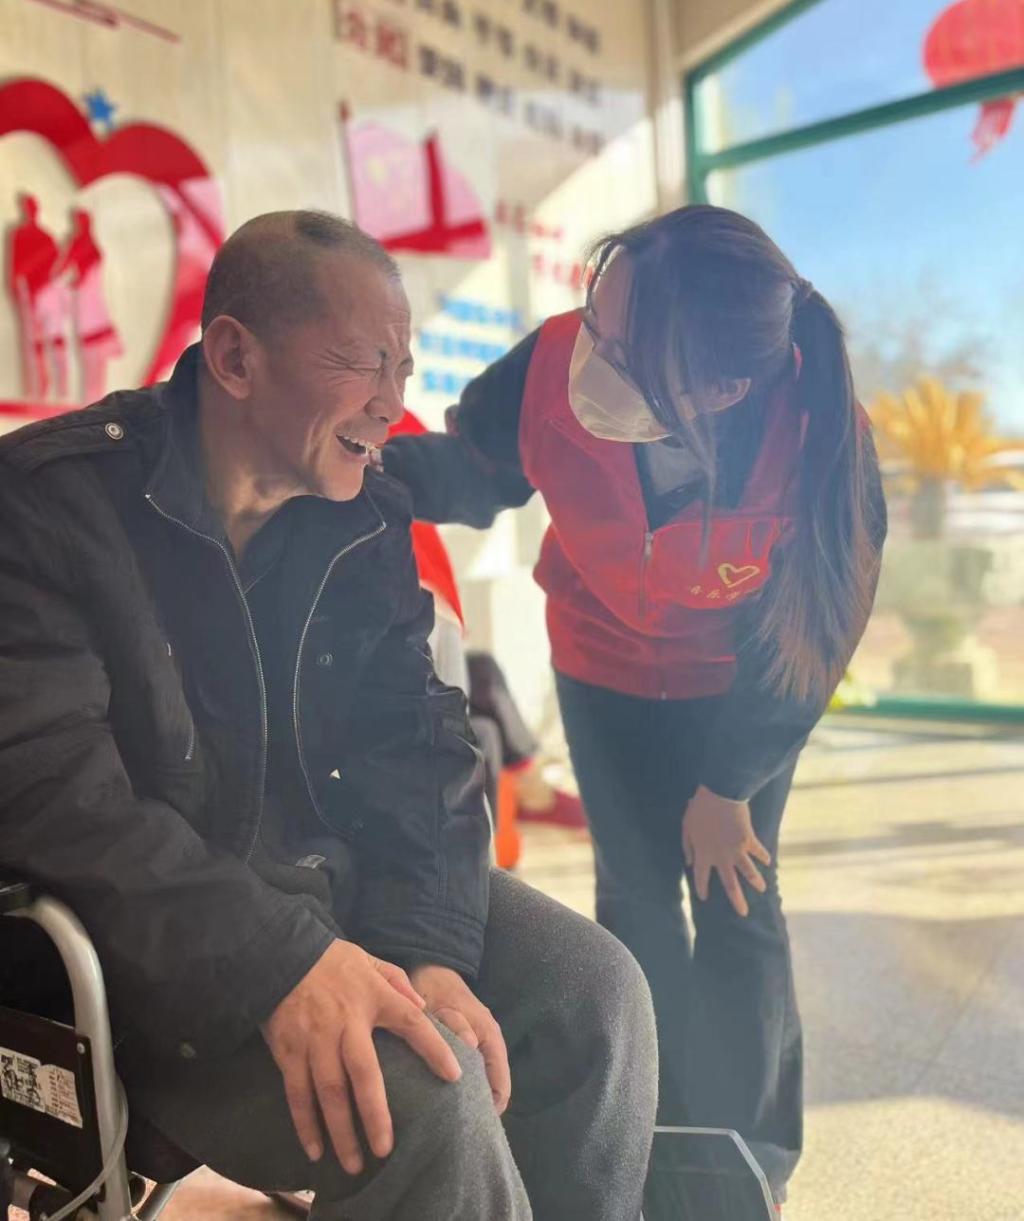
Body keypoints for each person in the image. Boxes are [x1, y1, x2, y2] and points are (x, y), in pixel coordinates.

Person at [0, 210, 658, 1221]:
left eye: (404, 367)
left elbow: (419, 743)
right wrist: (280, 961)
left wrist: (430, 948)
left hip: (328, 898)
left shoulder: (363, 512)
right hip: (147, 962)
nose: (392, 403)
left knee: (593, 993)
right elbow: (58, 806)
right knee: (422, 1099)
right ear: (235, 357)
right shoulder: (47, 504)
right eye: (362, 364)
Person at [384, 204, 889, 1210]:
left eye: (624, 353)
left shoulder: (817, 436)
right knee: (636, 898)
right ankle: (645, 1131)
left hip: (734, 694)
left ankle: (745, 1157)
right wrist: (356, 462)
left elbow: (814, 636)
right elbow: (476, 474)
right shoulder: (551, 364)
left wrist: (727, 787)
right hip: (600, 667)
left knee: (736, 899)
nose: (590, 359)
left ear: (723, 389)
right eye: (595, 321)